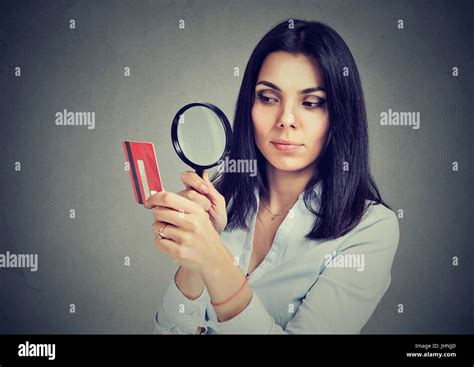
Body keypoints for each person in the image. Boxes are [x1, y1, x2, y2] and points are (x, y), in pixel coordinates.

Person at [146, 19, 400, 334]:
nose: (286, 120)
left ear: (338, 115)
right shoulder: (220, 200)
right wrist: (193, 260)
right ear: (249, 104)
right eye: (268, 98)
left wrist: (214, 259)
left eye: (311, 103)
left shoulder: (371, 228)